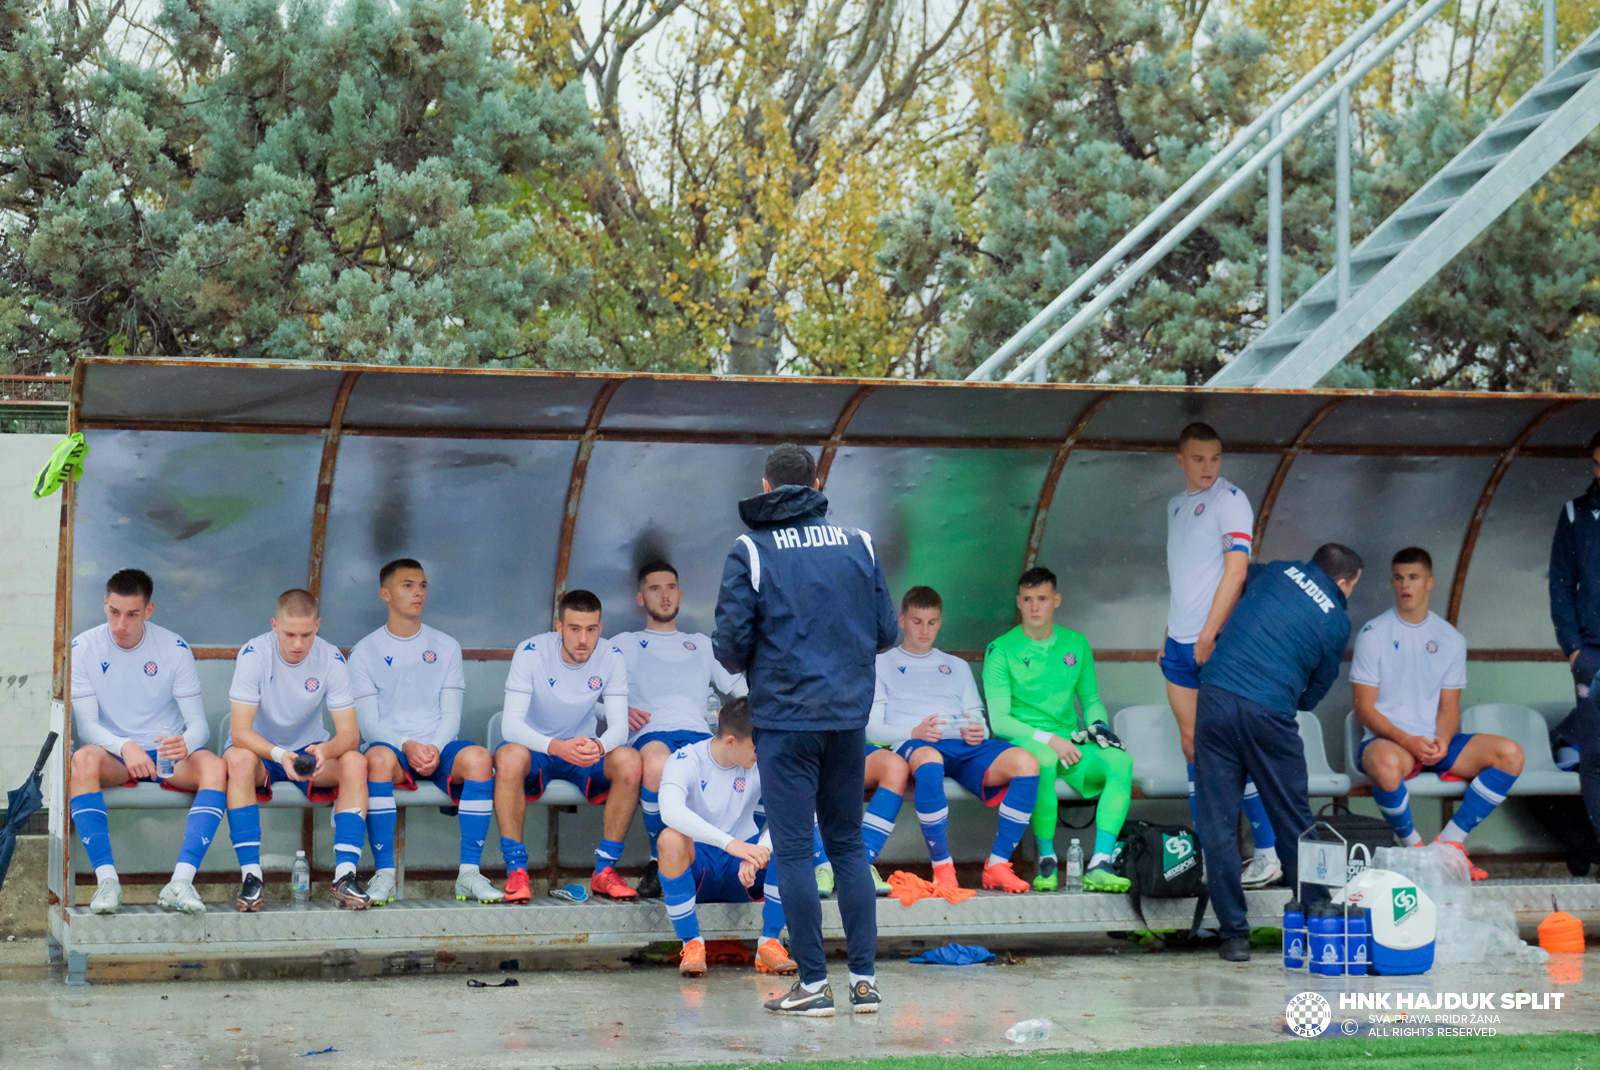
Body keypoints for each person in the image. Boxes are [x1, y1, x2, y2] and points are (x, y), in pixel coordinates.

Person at [714, 442, 897, 1018]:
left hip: (785, 721)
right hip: (847, 721)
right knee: (848, 847)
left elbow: (730, 645)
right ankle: (864, 983)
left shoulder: (752, 548)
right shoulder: (860, 543)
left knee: (793, 849)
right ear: (815, 487)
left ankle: (813, 987)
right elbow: (888, 632)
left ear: (767, 489)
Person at [1194, 543, 1361, 962]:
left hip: (1214, 696)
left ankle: (1233, 935)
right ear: (1345, 582)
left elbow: (1236, 576)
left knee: (1216, 822)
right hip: (1269, 711)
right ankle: (1318, 915)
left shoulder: (1276, 569)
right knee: (1295, 819)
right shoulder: (1337, 622)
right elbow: (1313, 696)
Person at [1352, 547, 1523, 880]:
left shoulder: (1450, 638)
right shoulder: (1374, 634)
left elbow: (1449, 706)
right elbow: (1364, 708)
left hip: (1434, 743)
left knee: (1510, 755)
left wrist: (1443, 739)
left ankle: (1448, 846)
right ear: (1392, 582)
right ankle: (1415, 851)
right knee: (1383, 765)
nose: (1406, 585)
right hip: (1391, 741)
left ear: (1430, 582)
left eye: (1414, 577)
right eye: (1399, 578)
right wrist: (1408, 740)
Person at [67, 569, 226, 916]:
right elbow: (87, 726)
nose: (121, 623)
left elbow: (197, 722)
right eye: (114, 612)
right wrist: (124, 745)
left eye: (132, 614)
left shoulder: (173, 647)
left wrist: (185, 742)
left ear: (149, 611)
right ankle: (107, 882)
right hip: (117, 755)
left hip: (167, 756)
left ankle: (181, 882)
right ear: (105, 605)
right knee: (81, 761)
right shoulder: (84, 648)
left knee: (215, 767)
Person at [1162, 422, 1279, 889]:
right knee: (1192, 748)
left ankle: (1268, 850)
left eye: (1215, 458)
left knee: (1232, 750)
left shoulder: (1231, 499)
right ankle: (1214, 855)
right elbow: (1185, 575)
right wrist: (1170, 632)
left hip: (1217, 644)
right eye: (1197, 459)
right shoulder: (1174, 506)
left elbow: (1235, 573)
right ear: (1180, 460)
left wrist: (1209, 635)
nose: (1208, 468)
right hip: (1178, 643)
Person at [347, 559, 501, 905]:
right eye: (407, 585)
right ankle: (384, 875)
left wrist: (433, 746)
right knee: (377, 758)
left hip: (437, 744)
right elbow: (368, 723)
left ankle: (469, 875)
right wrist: (407, 744)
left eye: (423, 585)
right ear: (385, 594)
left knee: (479, 759)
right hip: (394, 748)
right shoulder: (364, 652)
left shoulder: (446, 646)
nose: (418, 592)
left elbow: (452, 714)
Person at [868, 586, 1040, 894]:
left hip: (962, 745)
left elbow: (978, 719)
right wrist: (913, 733)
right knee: (930, 763)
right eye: (917, 621)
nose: (925, 630)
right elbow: (872, 729)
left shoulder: (956, 666)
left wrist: (979, 730)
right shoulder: (881, 664)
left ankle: (998, 865)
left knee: (1027, 762)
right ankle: (943, 867)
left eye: (932, 622)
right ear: (902, 620)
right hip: (915, 743)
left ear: (940, 622)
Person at [984, 567, 1133, 893]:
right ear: (1018, 603)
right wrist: (1049, 739)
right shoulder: (1000, 649)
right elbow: (1000, 720)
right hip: (1024, 742)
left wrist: (1098, 727)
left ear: (1056, 600)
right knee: (1044, 760)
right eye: (1027, 599)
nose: (1035, 606)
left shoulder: (1076, 644)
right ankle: (1047, 859)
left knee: (1120, 762)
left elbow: (1091, 699)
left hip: (1069, 742)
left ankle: (1100, 863)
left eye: (1042, 599)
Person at [223, 589, 369, 912]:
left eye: (307, 634)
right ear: (274, 625)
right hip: (263, 751)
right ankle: (251, 876)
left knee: (356, 763)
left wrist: (324, 751)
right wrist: (278, 754)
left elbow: (350, 734)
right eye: (289, 634)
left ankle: (345, 876)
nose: (298, 644)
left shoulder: (331, 659)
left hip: (309, 752)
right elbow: (239, 732)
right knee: (237, 759)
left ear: (318, 625)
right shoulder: (253, 654)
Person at [494, 589, 642, 903]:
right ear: (559, 627)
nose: (583, 639)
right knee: (507, 756)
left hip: (584, 751)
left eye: (591, 630)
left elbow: (619, 726)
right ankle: (516, 871)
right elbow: (511, 726)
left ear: (600, 628)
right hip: (539, 750)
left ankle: (604, 870)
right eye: (574, 629)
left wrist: (600, 747)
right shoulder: (531, 651)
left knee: (629, 760)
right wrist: (556, 746)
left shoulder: (611, 655)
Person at [613, 560, 747, 899]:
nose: (664, 594)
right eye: (654, 588)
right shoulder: (625, 643)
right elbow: (590, 691)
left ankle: (733, 861)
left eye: (671, 587)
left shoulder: (701, 643)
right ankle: (660, 860)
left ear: (681, 595)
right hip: (651, 734)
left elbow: (740, 689)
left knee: (746, 763)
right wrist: (614, 711)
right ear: (641, 598)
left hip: (701, 735)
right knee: (658, 766)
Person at [658, 697, 797, 980]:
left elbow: (797, 813)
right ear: (731, 741)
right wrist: (732, 845)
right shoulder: (686, 759)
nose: (761, 752)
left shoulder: (764, 758)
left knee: (791, 839)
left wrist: (760, 851)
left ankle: (769, 943)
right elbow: (669, 810)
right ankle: (692, 944)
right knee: (669, 838)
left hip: (743, 873)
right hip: (700, 867)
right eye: (755, 746)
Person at [1548, 430, 1600, 850]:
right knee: (1596, 758)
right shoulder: (1576, 513)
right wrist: (1574, 649)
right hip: (1593, 654)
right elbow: (1561, 586)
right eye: (1598, 465)